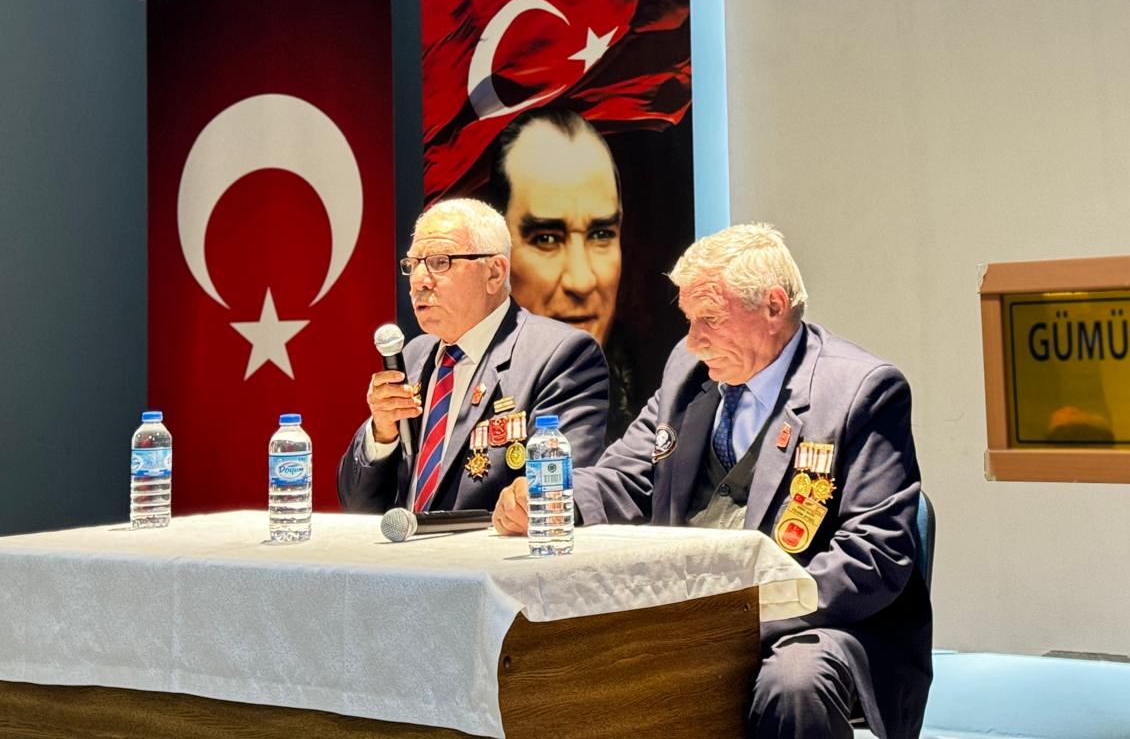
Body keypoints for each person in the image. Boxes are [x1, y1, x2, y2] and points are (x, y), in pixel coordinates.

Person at [491, 224, 931, 739]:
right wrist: (553, 501)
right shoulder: (690, 369)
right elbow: (626, 477)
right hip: (689, 615)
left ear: (773, 307)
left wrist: (738, 615)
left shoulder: (860, 390)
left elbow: (875, 554)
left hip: (811, 624)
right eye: (689, 320)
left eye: (710, 320)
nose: (694, 341)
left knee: (794, 683)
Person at [337, 197, 609, 514]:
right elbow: (357, 505)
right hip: (404, 545)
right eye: (413, 264)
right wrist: (382, 435)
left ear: (494, 273)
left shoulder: (561, 356)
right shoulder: (413, 357)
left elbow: (555, 496)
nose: (419, 281)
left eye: (440, 262)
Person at [489, 109, 638, 441]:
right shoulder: (456, 382)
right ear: (497, 256)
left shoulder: (667, 401)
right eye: (546, 239)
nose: (582, 281)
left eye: (601, 234)